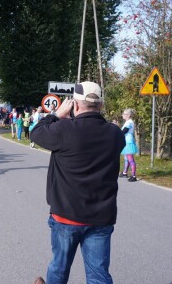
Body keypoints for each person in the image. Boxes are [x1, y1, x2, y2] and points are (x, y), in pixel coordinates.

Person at [30, 81, 125, 284]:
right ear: (100, 105)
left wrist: (56, 115)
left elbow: (36, 132)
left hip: (66, 216)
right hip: (101, 218)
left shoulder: (64, 129)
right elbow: (101, 129)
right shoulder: (115, 134)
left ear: (75, 104)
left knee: (59, 269)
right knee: (99, 275)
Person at [119, 108, 139, 182]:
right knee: (126, 158)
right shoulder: (127, 122)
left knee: (130, 159)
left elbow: (124, 131)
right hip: (126, 141)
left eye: (124, 114)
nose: (122, 115)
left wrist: (117, 134)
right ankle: (124, 173)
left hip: (128, 142)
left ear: (128, 115)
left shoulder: (129, 122)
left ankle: (134, 176)